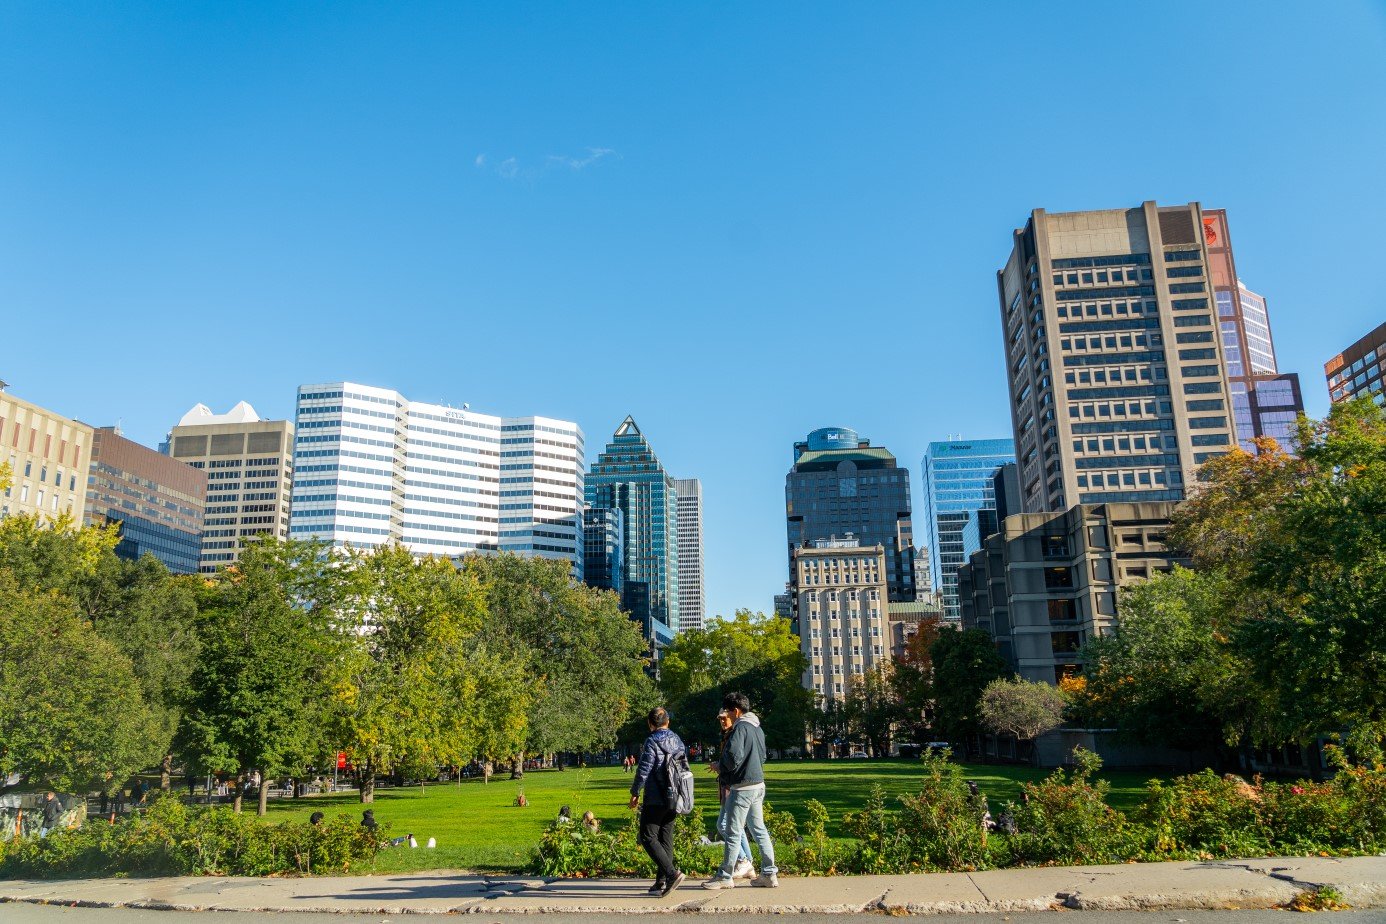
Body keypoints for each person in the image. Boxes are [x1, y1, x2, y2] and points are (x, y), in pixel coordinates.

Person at [702, 692, 777, 889]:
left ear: (736, 711)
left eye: (727, 711)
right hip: (758, 784)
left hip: (742, 786)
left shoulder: (740, 728)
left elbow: (733, 757)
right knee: (759, 830)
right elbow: (762, 757)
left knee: (732, 831)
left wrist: (721, 767)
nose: (725, 715)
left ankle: (725, 876)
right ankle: (769, 874)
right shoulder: (757, 728)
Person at [629, 706, 686, 897]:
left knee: (647, 835)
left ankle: (671, 874)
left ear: (650, 724)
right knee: (665, 837)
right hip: (674, 794)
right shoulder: (677, 739)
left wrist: (635, 792)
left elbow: (644, 769)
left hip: (656, 796)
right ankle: (661, 880)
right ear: (667, 722)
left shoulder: (651, 741)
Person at [708, 709, 754, 880]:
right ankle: (747, 862)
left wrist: (719, 766)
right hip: (728, 785)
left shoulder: (734, 735)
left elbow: (734, 761)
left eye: (724, 718)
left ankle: (743, 860)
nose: (721, 721)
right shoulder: (727, 735)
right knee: (737, 827)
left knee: (724, 824)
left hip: (732, 787)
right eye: (719, 719)